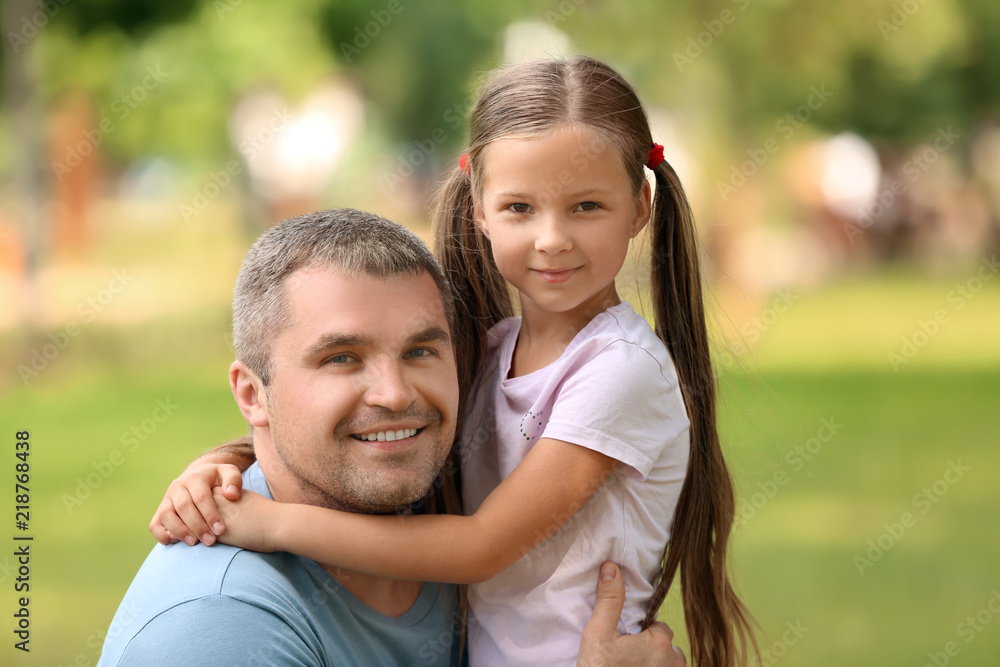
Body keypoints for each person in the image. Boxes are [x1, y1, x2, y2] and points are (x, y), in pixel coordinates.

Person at [155, 56, 760, 666]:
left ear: (639, 208)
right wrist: (223, 466)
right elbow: (385, 434)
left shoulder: (620, 371)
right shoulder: (494, 348)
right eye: (520, 208)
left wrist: (268, 524)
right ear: (480, 211)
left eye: (587, 207)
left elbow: (480, 547)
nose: (552, 238)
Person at [101, 208, 684, 667]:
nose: (395, 393)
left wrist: (224, 459)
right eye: (342, 357)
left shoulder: (442, 512)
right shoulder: (218, 627)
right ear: (253, 395)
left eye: (420, 350)